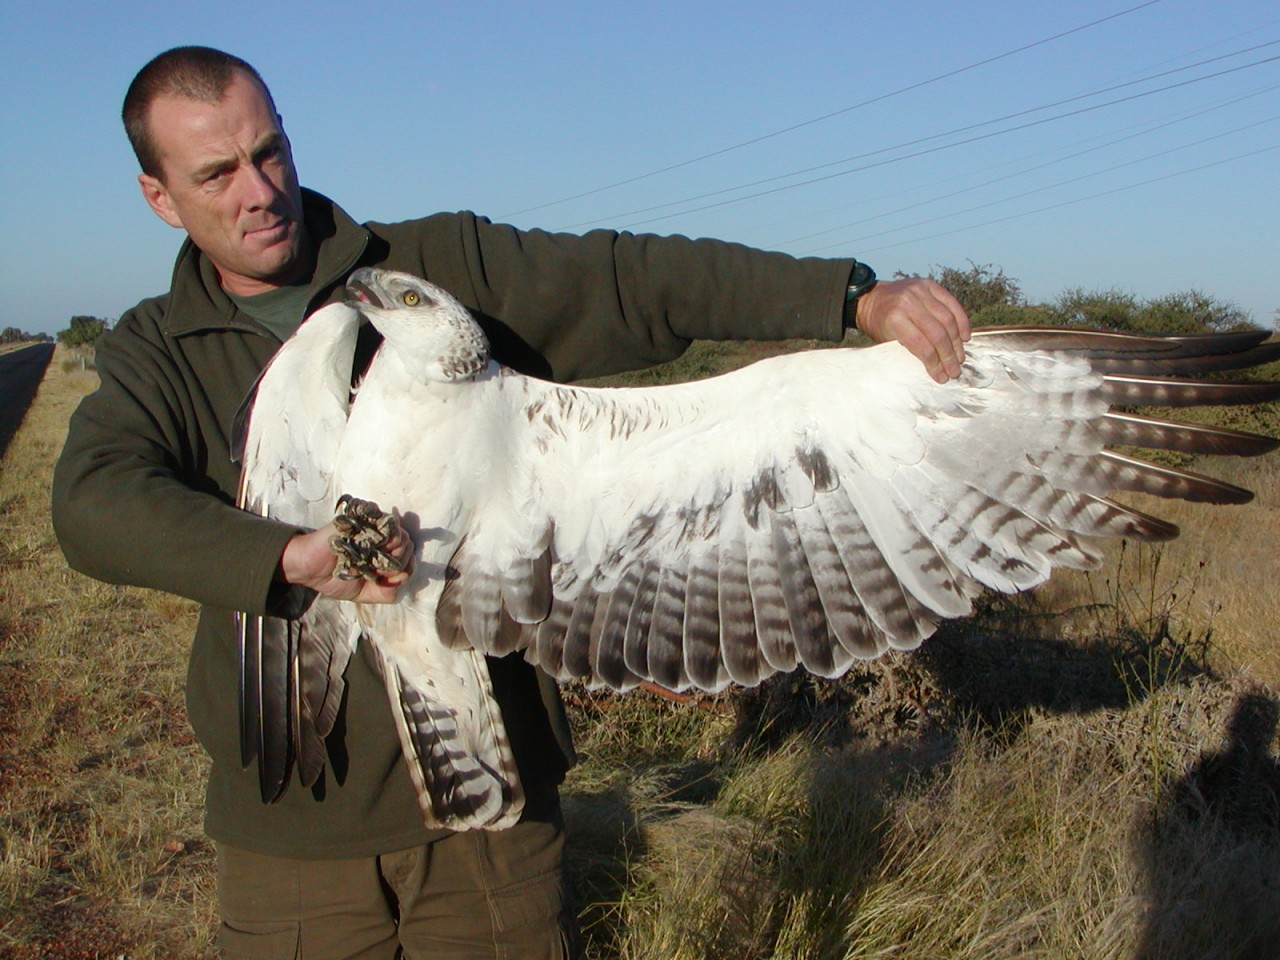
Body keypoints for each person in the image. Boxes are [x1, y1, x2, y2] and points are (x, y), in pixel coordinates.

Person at [52, 46, 970, 960]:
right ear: (159, 196)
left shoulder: (432, 267)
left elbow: (631, 281)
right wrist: (289, 559)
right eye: (217, 174)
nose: (261, 190)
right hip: (295, 832)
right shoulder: (158, 348)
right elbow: (94, 501)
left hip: (492, 827)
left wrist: (849, 296)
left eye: (270, 152)